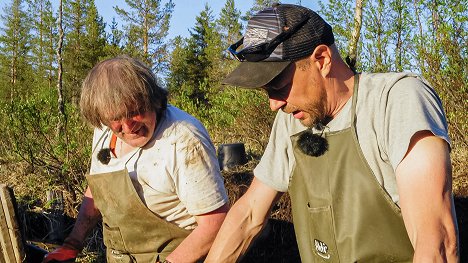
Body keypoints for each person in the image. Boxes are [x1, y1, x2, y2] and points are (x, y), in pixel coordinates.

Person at [206, 4, 459, 262]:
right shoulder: (291, 122)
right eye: (265, 91)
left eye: (279, 85)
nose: (274, 104)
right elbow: (249, 214)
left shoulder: (396, 101)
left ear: (322, 60)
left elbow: (437, 242)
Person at [43, 56, 229, 263]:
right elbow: (97, 189)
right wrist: (72, 245)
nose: (129, 127)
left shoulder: (183, 139)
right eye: (116, 119)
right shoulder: (103, 130)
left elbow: (215, 222)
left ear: (154, 100)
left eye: (135, 112)